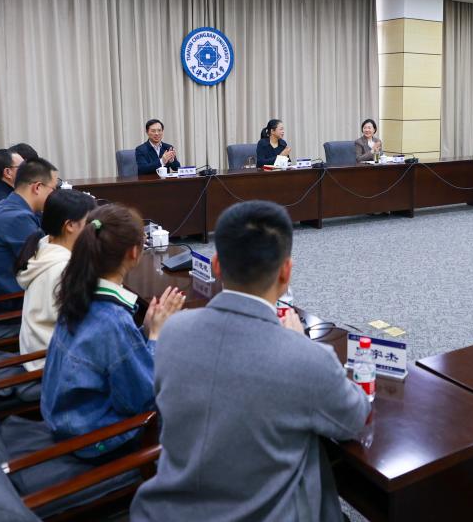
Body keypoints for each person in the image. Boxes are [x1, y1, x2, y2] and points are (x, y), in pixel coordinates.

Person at [131, 201, 370, 522]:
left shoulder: (173, 331)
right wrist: (300, 344)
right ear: (286, 272)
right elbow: (354, 418)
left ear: (216, 265)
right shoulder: (305, 358)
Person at [41, 204, 184, 461]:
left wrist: (144, 331)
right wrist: (156, 336)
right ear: (134, 253)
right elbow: (143, 398)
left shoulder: (78, 291)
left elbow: (108, 356)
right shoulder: (113, 319)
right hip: (94, 439)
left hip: (65, 419)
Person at [14, 189, 97, 371]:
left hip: (36, 352)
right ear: (70, 225)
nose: (93, 230)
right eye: (89, 224)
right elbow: (89, 324)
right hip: (52, 364)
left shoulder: (43, 245)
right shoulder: (64, 268)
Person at [0, 158, 59, 321]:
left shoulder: (5, 205)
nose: (55, 195)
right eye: (53, 189)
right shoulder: (17, 218)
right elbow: (44, 267)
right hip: (8, 307)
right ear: (37, 187)